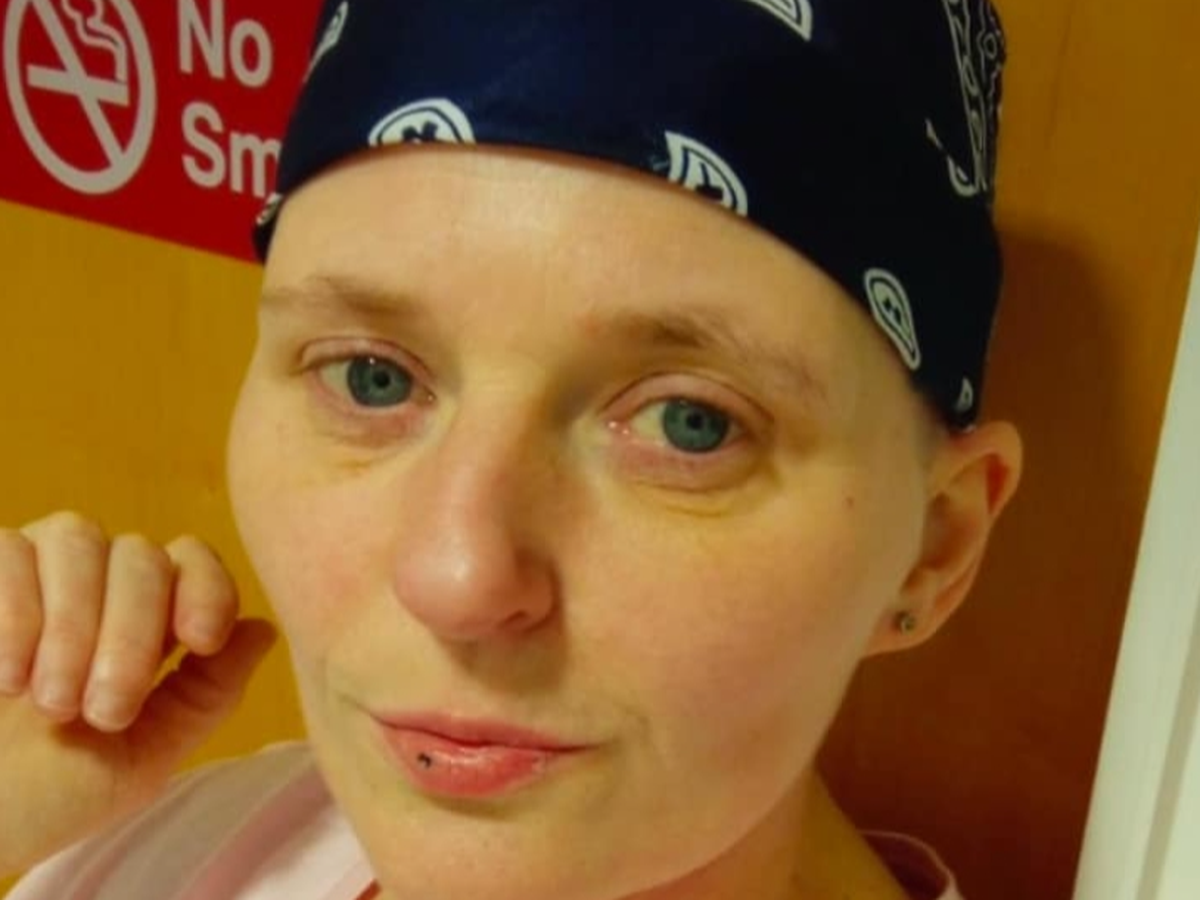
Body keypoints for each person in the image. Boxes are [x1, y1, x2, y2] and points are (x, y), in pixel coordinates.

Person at [0, 1, 1023, 898]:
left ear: (932, 547)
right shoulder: (156, 852)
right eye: (371, 377)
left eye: (690, 423)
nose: (458, 578)